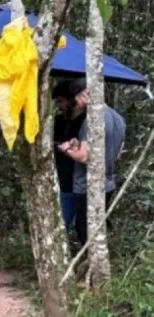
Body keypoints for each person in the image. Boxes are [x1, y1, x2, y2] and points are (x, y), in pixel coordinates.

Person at [58, 78, 126, 247]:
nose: (76, 105)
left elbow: (85, 157)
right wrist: (79, 144)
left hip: (87, 187)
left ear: (84, 96)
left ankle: (91, 269)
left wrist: (67, 149)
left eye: (76, 100)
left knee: (85, 234)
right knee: (97, 232)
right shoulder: (118, 118)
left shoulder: (92, 120)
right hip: (107, 184)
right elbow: (116, 154)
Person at [52, 80, 85, 231]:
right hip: (60, 176)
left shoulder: (86, 121)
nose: (59, 105)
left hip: (78, 178)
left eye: (62, 101)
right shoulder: (58, 121)